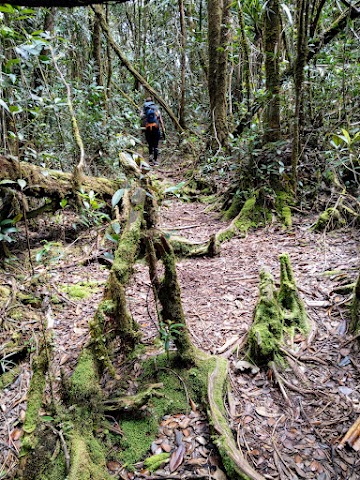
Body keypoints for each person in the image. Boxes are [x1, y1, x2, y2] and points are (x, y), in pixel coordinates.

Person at [140, 97, 165, 165]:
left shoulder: (145, 109)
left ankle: (150, 157)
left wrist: (141, 130)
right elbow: (160, 119)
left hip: (147, 128)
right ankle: (155, 160)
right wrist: (163, 130)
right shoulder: (156, 108)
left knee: (150, 144)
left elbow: (141, 118)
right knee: (156, 144)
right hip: (155, 127)